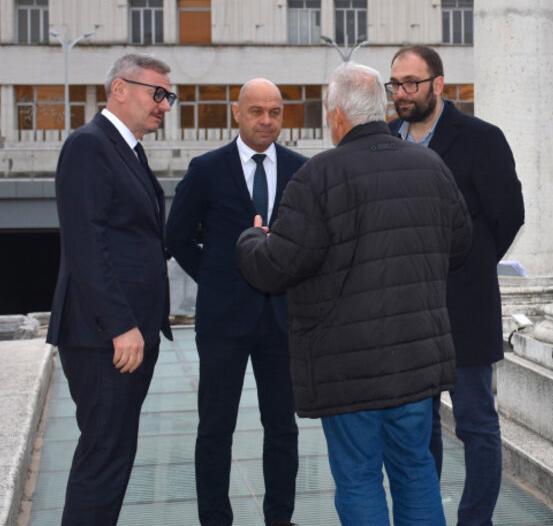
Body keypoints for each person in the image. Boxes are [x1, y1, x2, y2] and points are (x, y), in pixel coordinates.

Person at [237, 62, 472, 526]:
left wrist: (251, 239)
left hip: (349, 368)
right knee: (416, 469)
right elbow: (459, 246)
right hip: (415, 358)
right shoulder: (430, 165)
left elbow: (277, 266)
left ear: (338, 116)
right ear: (381, 111)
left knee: (359, 477)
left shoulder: (318, 176)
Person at [387, 46, 524, 526]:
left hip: (465, 309)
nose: (401, 94)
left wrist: (472, 264)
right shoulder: (386, 141)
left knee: (476, 424)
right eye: (396, 84)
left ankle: (475, 519)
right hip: (406, 314)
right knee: (415, 429)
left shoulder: (480, 139)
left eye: (411, 83)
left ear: (438, 85)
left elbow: (508, 216)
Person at [165, 79, 306, 526]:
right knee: (215, 430)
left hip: (282, 320)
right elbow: (176, 236)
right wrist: (215, 278)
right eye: (257, 111)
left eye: (275, 112)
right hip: (223, 320)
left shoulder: (302, 170)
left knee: (282, 429)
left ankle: (279, 519)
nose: (266, 121)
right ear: (236, 113)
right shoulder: (206, 169)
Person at [46, 53, 176, 526]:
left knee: (113, 453)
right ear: (119, 89)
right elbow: (86, 243)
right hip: (106, 338)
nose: (165, 104)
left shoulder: (127, 149)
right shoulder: (88, 145)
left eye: (169, 96)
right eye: (157, 93)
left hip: (125, 336)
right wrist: (121, 324)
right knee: (103, 457)